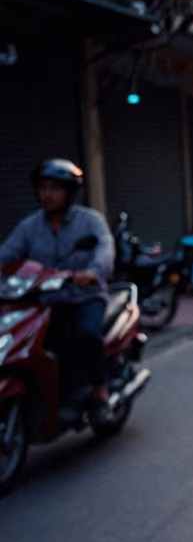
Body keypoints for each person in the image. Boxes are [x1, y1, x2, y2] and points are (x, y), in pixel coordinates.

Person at [0, 160, 116, 424]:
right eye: (42, 188)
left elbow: (105, 251)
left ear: (69, 192)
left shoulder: (90, 221)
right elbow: (7, 253)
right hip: (45, 302)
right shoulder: (29, 226)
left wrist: (93, 272)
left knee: (86, 333)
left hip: (84, 298)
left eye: (54, 188)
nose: (47, 194)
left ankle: (100, 392)